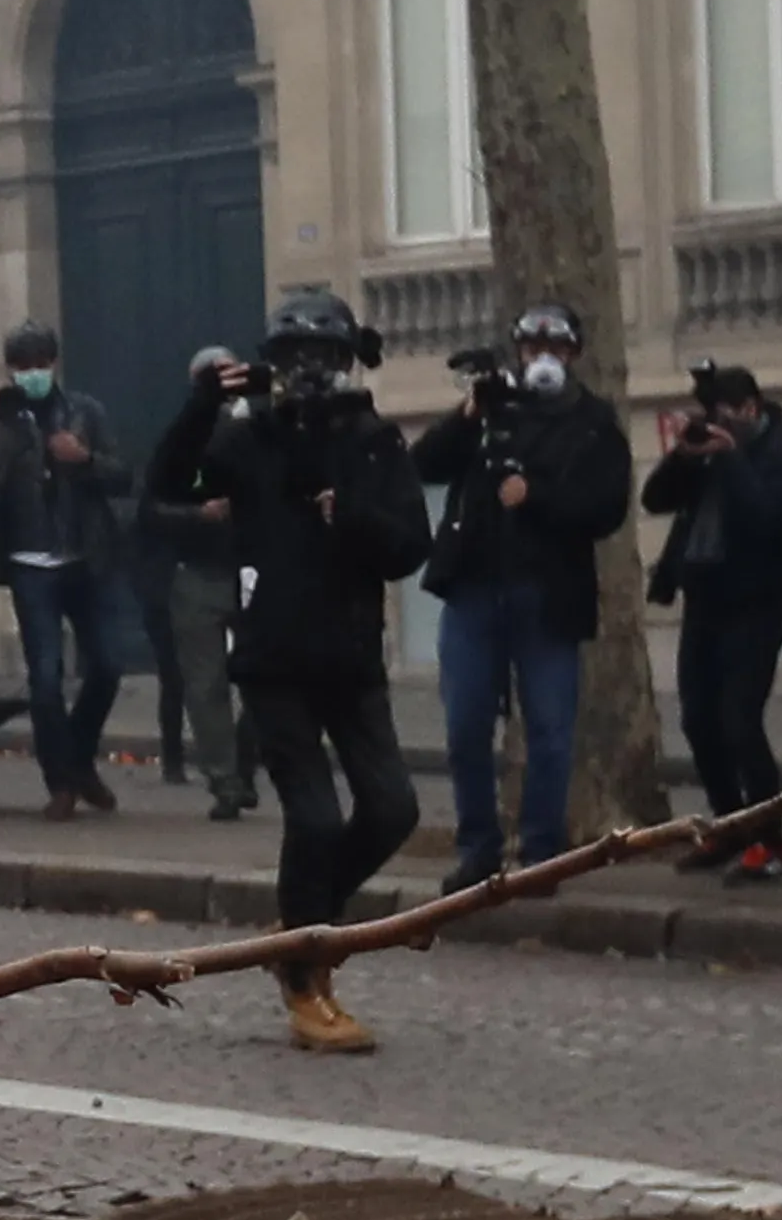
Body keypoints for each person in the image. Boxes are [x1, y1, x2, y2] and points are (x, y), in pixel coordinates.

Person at [151, 289, 431, 1052]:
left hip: (349, 654)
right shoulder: (249, 441)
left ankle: (302, 928)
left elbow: (411, 543)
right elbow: (169, 487)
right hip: (274, 658)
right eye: (292, 359)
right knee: (312, 817)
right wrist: (201, 405)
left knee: (393, 808)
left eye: (322, 359)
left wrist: (355, 517)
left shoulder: (374, 440)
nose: (307, 374)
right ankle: (307, 984)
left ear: (345, 363)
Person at [409, 301, 634, 882]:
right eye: (533, 348)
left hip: (549, 594)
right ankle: (478, 849)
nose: (542, 359)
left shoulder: (593, 421)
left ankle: (540, 852)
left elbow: (606, 508)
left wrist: (534, 496)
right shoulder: (490, 410)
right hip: (474, 590)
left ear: (573, 355)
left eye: (555, 349)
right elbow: (425, 464)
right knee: (464, 727)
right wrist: (467, 415)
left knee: (551, 731)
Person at [0, 318, 145, 819]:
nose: (33, 373)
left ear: (55, 364)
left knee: (107, 665)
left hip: (86, 558)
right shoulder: (1, 421)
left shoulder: (83, 412)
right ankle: (62, 783)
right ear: (10, 370)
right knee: (46, 678)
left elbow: (123, 476)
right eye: (23, 366)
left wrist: (84, 458)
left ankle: (78, 758)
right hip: (31, 567)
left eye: (41, 364)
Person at [637, 359, 782, 879]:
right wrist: (684, 454)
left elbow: (768, 520)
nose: (720, 424)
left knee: (741, 723)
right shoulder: (707, 451)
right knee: (698, 720)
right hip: (703, 600)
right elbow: (654, 499)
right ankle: (729, 825)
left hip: (755, 605)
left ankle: (771, 844)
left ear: (751, 408)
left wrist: (731, 457)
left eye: (727, 415)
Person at [143, 346, 256, 822]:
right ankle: (225, 781)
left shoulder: (257, 425)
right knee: (204, 684)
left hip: (252, 570)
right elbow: (155, 496)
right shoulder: (187, 432)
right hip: (200, 570)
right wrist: (198, 515)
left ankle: (245, 766)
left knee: (265, 678)